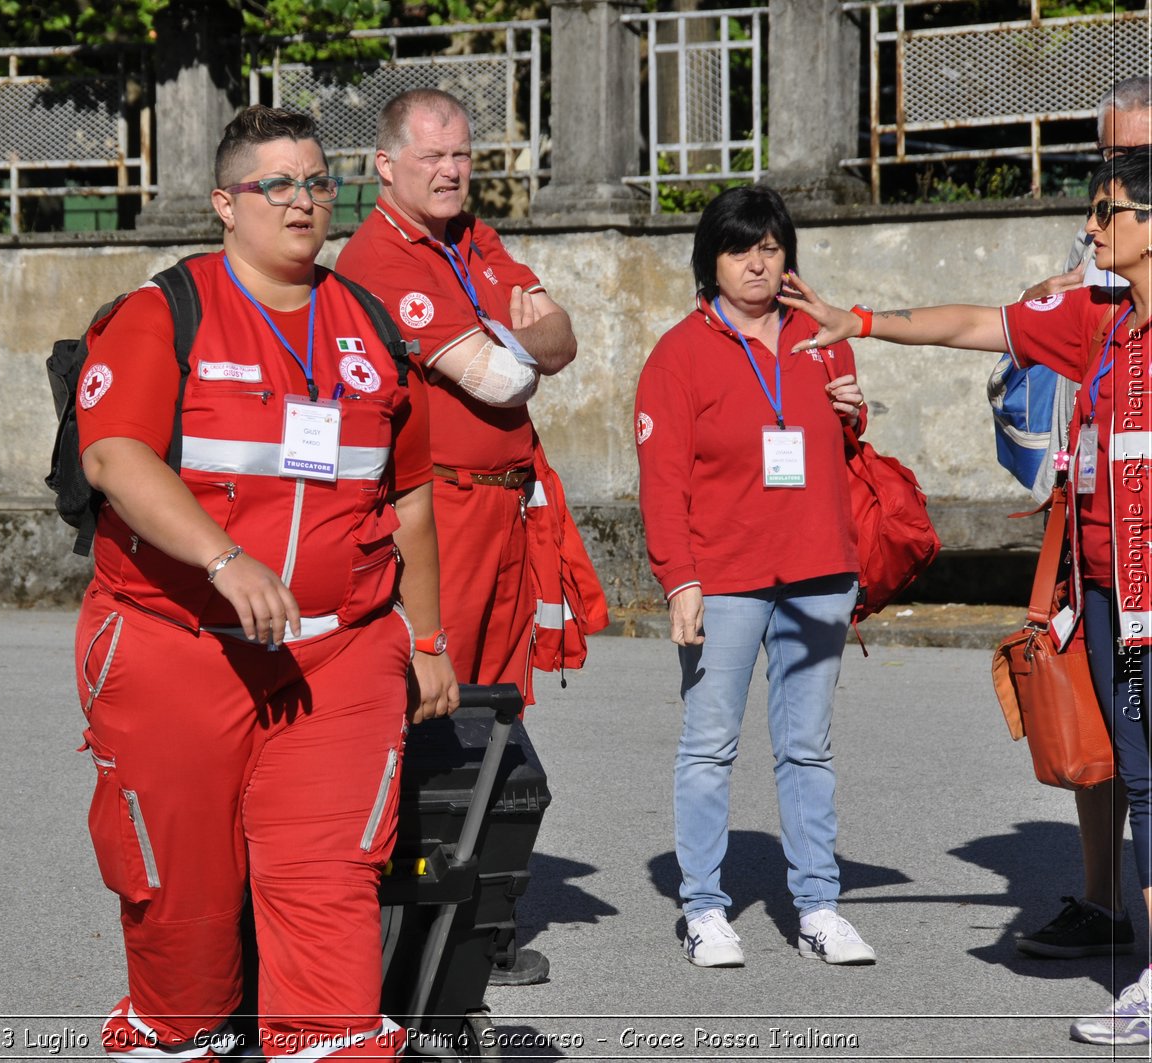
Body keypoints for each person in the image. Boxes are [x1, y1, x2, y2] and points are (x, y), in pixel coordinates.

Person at [73, 106, 459, 1062]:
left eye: (318, 181)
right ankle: (176, 1031)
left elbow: (407, 497)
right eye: (276, 183)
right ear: (224, 203)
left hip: (341, 652)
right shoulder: (164, 313)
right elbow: (115, 456)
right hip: (177, 643)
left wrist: (429, 639)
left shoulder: (368, 322)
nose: (303, 199)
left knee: (329, 881)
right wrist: (221, 556)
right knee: (183, 896)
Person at [779, 148, 1152, 1044]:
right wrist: (855, 318)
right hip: (1107, 592)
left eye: (1107, 212)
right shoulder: (1097, 315)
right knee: (1143, 777)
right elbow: (974, 324)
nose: (1089, 230)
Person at [336, 87, 587, 988]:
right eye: (432, 156)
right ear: (385, 166)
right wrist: (524, 337)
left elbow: (560, 341)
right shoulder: (378, 255)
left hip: (504, 503)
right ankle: (407, 925)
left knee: (494, 707)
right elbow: (502, 379)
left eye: (462, 155)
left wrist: (533, 338)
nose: (450, 171)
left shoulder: (471, 237)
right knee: (431, 706)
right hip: (439, 508)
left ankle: (481, 919)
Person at [633, 185, 876, 969]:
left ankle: (819, 904)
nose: (758, 262)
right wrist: (680, 580)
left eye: (771, 247)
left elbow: (844, 441)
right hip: (723, 576)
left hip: (818, 568)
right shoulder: (679, 352)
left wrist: (854, 408)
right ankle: (704, 906)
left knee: (808, 746)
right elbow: (661, 480)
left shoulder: (819, 335)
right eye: (741, 248)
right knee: (709, 745)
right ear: (712, 259)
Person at [999, 77, 1151, 965]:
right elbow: (1034, 331)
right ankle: (1101, 900)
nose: (1121, 163)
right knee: (1104, 729)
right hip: (1092, 513)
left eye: (1137, 150)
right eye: (1110, 149)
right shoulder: (1096, 226)